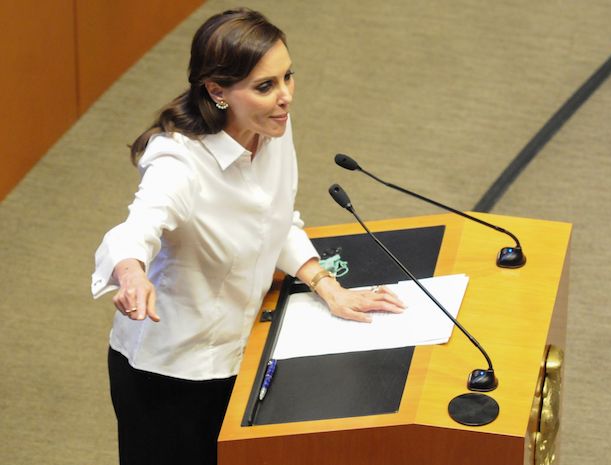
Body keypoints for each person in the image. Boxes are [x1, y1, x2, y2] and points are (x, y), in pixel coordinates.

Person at [91, 8, 405, 465]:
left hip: (246, 352)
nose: (285, 98)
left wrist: (327, 286)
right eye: (265, 87)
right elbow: (135, 229)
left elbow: (275, 221)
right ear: (217, 92)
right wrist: (131, 274)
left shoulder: (271, 127)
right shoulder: (179, 163)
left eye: (287, 77)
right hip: (174, 376)